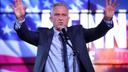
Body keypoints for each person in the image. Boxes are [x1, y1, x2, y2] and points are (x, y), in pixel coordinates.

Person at [11, 0, 117, 72]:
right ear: (51, 18)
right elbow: (25, 34)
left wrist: (107, 19)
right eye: (57, 15)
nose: (60, 18)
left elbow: (97, 32)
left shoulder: (78, 33)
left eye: (64, 15)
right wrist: (20, 19)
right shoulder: (43, 35)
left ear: (68, 18)